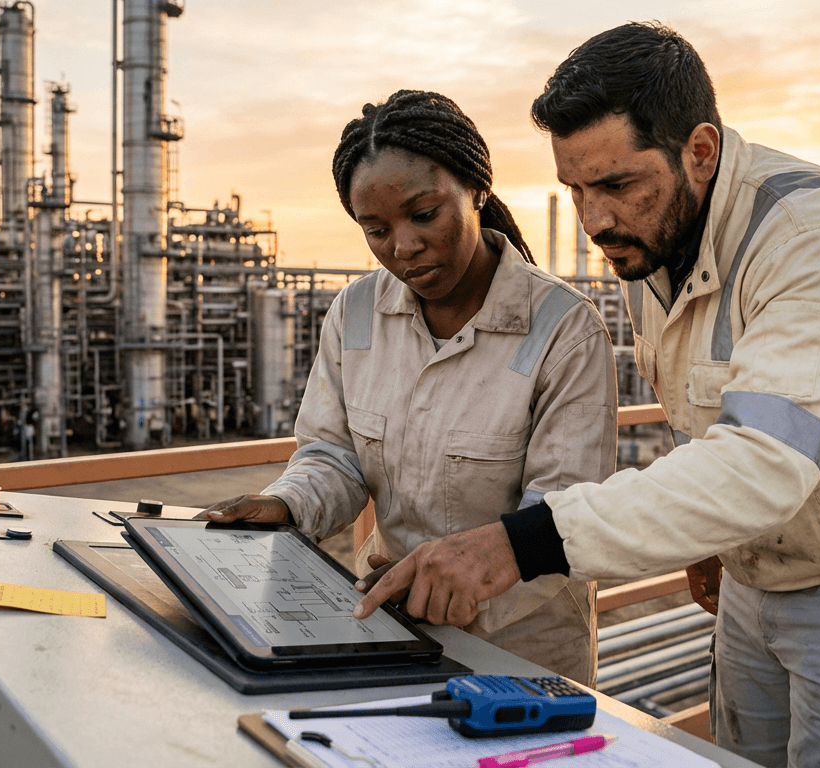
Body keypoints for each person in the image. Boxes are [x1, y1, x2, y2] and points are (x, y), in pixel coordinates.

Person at [355, 23, 820, 768]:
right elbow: (715, 409)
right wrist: (714, 535)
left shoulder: (819, 240)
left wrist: (513, 545)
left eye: (618, 185)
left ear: (700, 150)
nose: (595, 219)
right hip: (759, 580)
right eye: (576, 190)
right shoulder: (654, 247)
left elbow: (761, 464)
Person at [203, 90, 618, 685]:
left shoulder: (565, 330)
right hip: (389, 628)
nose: (402, 247)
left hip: (523, 653)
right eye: (375, 229)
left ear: (476, 188)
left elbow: (562, 518)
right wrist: (287, 504)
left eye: (424, 215)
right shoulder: (356, 313)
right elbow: (335, 457)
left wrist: (464, 580)